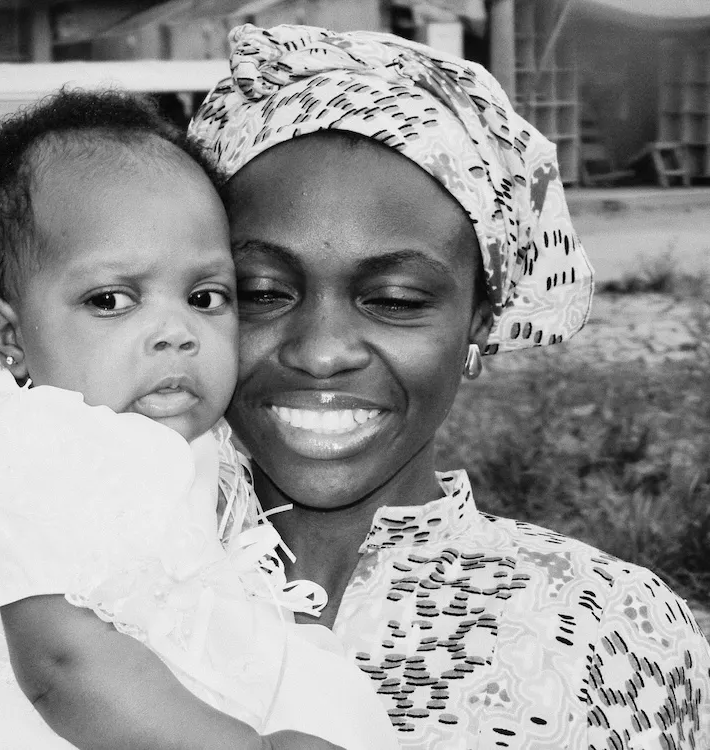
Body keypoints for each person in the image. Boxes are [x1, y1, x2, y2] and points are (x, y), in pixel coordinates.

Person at [0, 90, 397, 750]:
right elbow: (61, 664)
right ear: (11, 335)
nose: (176, 331)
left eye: (205, 296)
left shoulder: (174, 447)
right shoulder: (38, 454)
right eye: (111, 301)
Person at [187, 23, 710, 750]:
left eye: (395, 299)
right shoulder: (87, 580)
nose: (321, 352)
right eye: (261, 292)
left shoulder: (607, 632)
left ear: (479, 323)